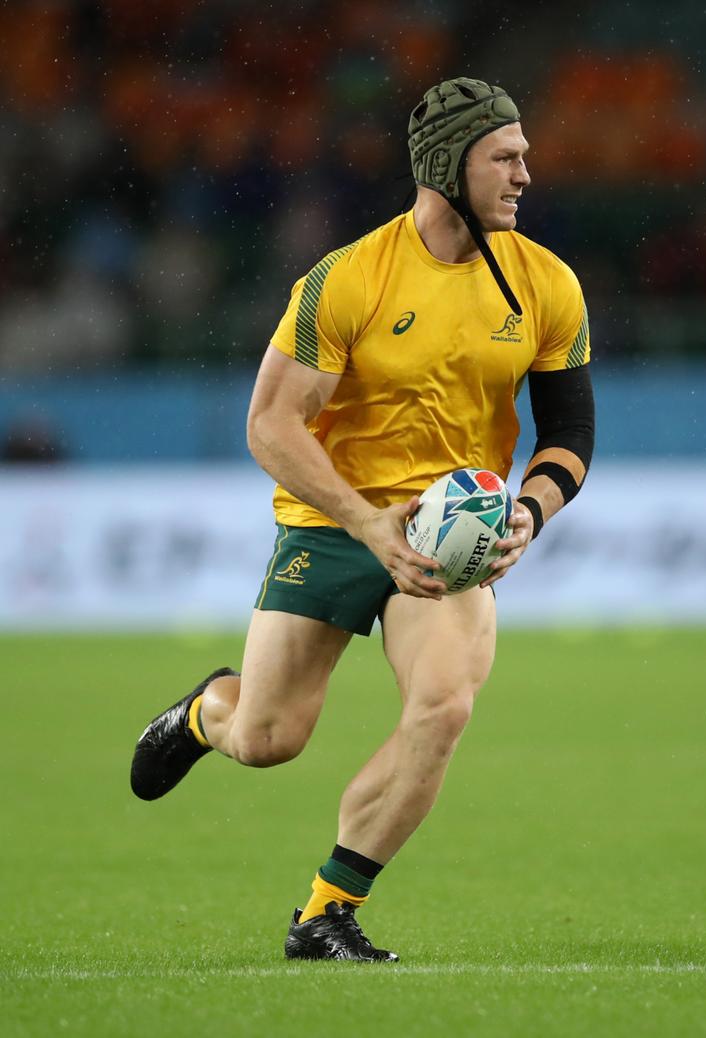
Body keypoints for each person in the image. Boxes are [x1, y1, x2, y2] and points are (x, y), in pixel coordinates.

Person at [130, 77, 595, 962]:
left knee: (444, 706)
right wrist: (367, 521)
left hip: (451, 539)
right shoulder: (348, 277)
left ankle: (326, 911)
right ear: (447, 166)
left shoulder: (546, 284)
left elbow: (570, 431)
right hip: (331, 521)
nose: (526, 173)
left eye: (524, 155)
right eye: (506, 156)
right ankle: (202, 715)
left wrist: (530, 510)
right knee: (268, 740)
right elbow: (270, 423)